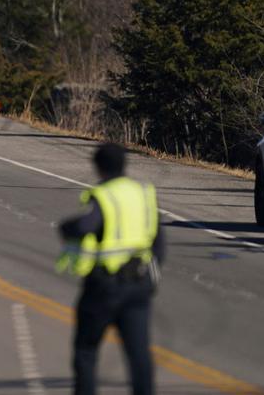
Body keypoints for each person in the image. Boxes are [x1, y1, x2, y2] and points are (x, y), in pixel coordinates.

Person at [57, 143, 165, 395]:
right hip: (138, 284)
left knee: (86, 350)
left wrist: (67, 227)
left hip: (105, 285)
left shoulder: (105, 195)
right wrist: (150, 278)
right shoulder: (143, 193)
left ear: (98, 167)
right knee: (139, 354)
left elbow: (87, 225)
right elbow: (158, 242)